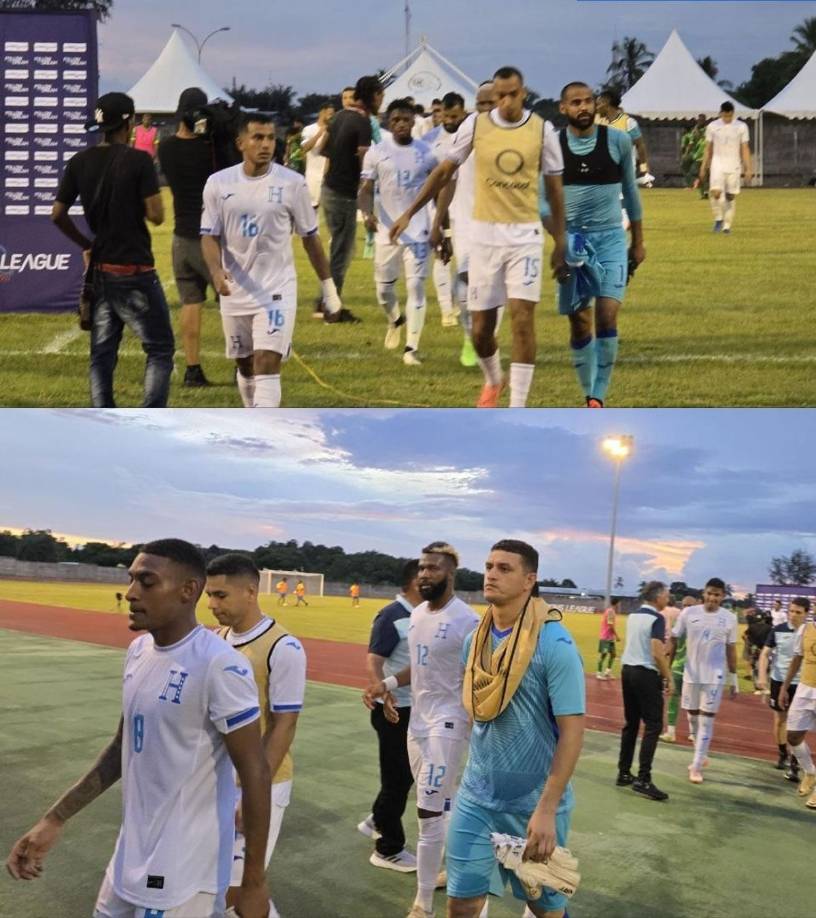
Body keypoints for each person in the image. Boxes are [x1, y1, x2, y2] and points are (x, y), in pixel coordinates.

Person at [5, 539, 271, 918]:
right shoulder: (139, 651)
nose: (131, 593)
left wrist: (254, 883)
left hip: (181, 875)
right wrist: (55, 817)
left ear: (188, 591)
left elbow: (256, 772)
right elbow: (122, 747)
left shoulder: (219, 666)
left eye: (147, 582)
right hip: (128, 857)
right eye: (131, 580)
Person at [391, 66, 567, 409]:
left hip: (524, 237)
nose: (504, 102)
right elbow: (445, 172)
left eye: (511, 94)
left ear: (523, 93)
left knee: (522, 319)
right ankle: (493, 379)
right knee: (480, 330)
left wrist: (561, 240)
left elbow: (555, 189)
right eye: (498, 96)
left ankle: (518, 406)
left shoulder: (542, 130)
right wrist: (411, 212)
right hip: (484, 238)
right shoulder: (476, 125)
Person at [445, 539, 585, 918]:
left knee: (546, 910)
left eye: (505, 568)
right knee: (461, 904)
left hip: (533, 805)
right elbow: (476, 708)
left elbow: (573, 732)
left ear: (529, 580)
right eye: (489, 565)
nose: (491, 574)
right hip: (477, 797)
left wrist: (547, 808)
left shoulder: (555, 644)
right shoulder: (476, 640)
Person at [200, 112, 350, 409]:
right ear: (241, 142)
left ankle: (264, 435)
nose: (266, 144)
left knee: (266, 362)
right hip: (236, 290)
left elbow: (310, 237)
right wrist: (216, 273)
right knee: (245, 365)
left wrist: (329, 290)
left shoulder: (292, 184)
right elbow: (209, 235)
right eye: (258, 137)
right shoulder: (218, 183)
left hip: (276, 290)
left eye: (270, 138)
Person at [364, 542, 480, 918]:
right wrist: (387, 685)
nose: (425, 574)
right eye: (422, 569)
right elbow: (418, 665)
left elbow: (481, 675)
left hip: (450, 722)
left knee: (427, 812)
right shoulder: (416, 617)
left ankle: (423, 904)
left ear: (450, 574)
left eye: (433, 568)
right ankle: (457, 868)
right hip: (418, 722)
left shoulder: (468, 621)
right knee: (442, 805)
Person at [52, 92, 175, 408]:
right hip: (135, 269)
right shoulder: (139, 160)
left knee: (101, 355)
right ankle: (150, 417)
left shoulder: (79, 162)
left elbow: (57, 214)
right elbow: (157, 215)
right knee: (159, 349)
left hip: (101, 270)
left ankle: (103, 419)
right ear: (129, 122)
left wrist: (85, 244)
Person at [206, 552, 307, 917]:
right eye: (209, 596)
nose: (213, 604)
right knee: (216, 884)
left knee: (238, 889)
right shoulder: (216, 639)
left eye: (221, 595)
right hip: (218, 780)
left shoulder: (284, 647)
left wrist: (252, 793)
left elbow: (285, 723)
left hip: (261, 783)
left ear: (250, 591)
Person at [557, 82, 644, 408]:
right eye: (575, 102)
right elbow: (542, 203)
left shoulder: (618, 141)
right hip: (572, 241)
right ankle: (587, 392)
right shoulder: (553, 146)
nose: (584, 107)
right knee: (580, 322)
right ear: (562, 108)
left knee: (607, 316)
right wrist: (560, 241)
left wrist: (638, 241)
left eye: (588, 101)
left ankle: (597, 398)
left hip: (610, 239)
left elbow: (632, 194)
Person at [359, 99, 439, 366]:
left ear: (414, 121)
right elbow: (367, 188)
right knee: (383, 291)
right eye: (396, 120)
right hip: (387, 232)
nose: (401, 124)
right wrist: (367, 213)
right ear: (388, 123)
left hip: (418, 232)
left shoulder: (427, 153)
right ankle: (395, 319)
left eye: (406, 119)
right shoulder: (376, 152)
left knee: (416, 286)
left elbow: (438, 190)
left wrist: (442, 228)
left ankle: (411, 349)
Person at [358, 560, 422, 873]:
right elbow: (374, 658)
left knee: (405, 775)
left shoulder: (423, 616)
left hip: (414, 708)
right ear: (415, 582)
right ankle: (387, 848)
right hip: (395, 709)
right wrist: (380, 691)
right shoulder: (392, 616)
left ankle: (377, 818)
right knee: (398, 779)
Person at [431, 83, 496, 370]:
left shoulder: (519, 134)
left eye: (491, 103)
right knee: (466, 290)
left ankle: (486, 337)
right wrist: (439, 225)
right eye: (481, 104)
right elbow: (448, 178)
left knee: (495, 291)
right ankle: (473, 336)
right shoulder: (467, 132)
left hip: (504, 227)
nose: (487, 110)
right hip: (466, 223)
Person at [158, 87, 219, 388]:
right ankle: (243, 364)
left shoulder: (165, 148)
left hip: (180, 237)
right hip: (209, 238)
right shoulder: (207, 149)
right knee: (235, 304)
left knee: (191, 302)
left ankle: (192, 369)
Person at [321, 75, 384, 306]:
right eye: (381, 96)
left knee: (337, 248)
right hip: (344, 195)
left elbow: (322, 149)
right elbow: (364, 165)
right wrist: (367, 203)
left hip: (328, 189)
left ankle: (326, 301)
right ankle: (330, 305)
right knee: (342, 253)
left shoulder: (339, 116)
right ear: (373, 95)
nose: (382, 101)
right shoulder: (362, 122)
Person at [670, 577, 738, 784]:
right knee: (692, 717)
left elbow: (731, 648)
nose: (712, 598)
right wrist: (667, 667)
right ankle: (701, 752)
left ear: (722, 597)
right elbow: (674, 638)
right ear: (704, 593)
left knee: (706, 720)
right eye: (709, 593)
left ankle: (697, 765)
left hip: (714, 677)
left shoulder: (729, 618)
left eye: (717, 594)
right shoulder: (688, 613)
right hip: (691, 674)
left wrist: (733, 679)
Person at [616, 581, 672, 801]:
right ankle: (643, 778)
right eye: (666, 595)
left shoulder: (633, 616)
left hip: (627, 670)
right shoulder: (657, 618)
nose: (668, 599)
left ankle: (624, 772)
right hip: (645, 673)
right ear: (657, 597)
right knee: (654, 725)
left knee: (631, 724)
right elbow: (657, 652)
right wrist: (668, 677)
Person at [759, 598, 808, 778]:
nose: (793, 615)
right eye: (792, 611)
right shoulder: (777, 630)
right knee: (780, 719)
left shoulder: (810, 633)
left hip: (802, 683)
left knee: (797, 724)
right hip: (778, 681)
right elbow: (765, 653)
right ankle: (782, 754)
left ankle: (794, 764)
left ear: (806, 614)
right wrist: (762, 676)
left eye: (798, 612)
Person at [780, 600, 816, 809]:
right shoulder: (805, 630)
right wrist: (785, 687)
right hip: (805, 688)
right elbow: (796, 659)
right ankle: (810, 772)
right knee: (793, 735)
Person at [699, 101, 752, 234]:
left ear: (733, 113)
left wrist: (748, 168)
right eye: (725, 116)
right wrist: (703, 166)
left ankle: (727, 226)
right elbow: (708, 148)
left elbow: (745, 148)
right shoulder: (712, 126)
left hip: (734, 165)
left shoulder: (741, 127)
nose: (727, 119)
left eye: (729, 116)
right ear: (721, 113)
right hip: (717, 163)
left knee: (730, 196)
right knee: (715, 192)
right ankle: (718, 219)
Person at [660, 594, 698, 743]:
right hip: (689, 668)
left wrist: (668, 666)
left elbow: (672, 644)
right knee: (689, 701)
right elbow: (673, 644)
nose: (686, 608)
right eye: (685, 606)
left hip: (684, 666)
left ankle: (672, 732)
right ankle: (692, 733)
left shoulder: (679, 622)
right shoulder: (696, 623)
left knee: (676, 699)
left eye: (688, 606)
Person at [596, 89, 650, 184]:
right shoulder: (599, 124)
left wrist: (644, 169)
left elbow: (640, 146)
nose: (597, 108)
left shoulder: (628, 123)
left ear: (607, 104)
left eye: (598, 104)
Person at [301, 104, 335, 209]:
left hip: (329, 177)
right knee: (312, 209)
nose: (331, 117)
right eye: (329, 114)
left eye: (332, 115)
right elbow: (305, 148)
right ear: (321, 112)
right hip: (313, 176)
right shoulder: (309, 129)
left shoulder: (334, 130)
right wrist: (320, 133)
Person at [681, 114, 707, 193]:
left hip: (703, 154)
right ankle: (691, 183)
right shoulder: (695, 130)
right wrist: (686, 153)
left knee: (698, 171)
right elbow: (691, 143)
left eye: (702, 120)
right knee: (684, 164)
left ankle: (702, 189)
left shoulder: (707, 129)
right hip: (695, 153)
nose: (700, 121)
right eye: (699, 120)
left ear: (704, 121)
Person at [596, 597, 621, 679]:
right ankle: (599, 673)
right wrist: (617, 635)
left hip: (610, 638)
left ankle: (607, 672)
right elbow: (610, 625)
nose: (619, 605)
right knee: (604, 655)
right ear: (617, 603)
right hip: (606, 637)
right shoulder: (610, 612)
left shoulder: (612, 611)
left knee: (613, 654)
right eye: (619, 603)